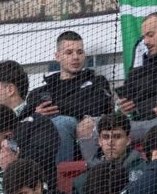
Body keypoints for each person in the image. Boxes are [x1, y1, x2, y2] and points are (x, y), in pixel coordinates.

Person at [26, 31, 115, 165]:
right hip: (46, 137)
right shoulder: (42, 91)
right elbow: (27, 111)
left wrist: (58, 108)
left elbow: (99, 106)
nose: (75, 57)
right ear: (57, 56)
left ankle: (62, 177)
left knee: (62, 122)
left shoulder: (97, 81)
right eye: (69, 53)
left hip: (88, 131)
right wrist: (38, 114)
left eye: (80, 52)